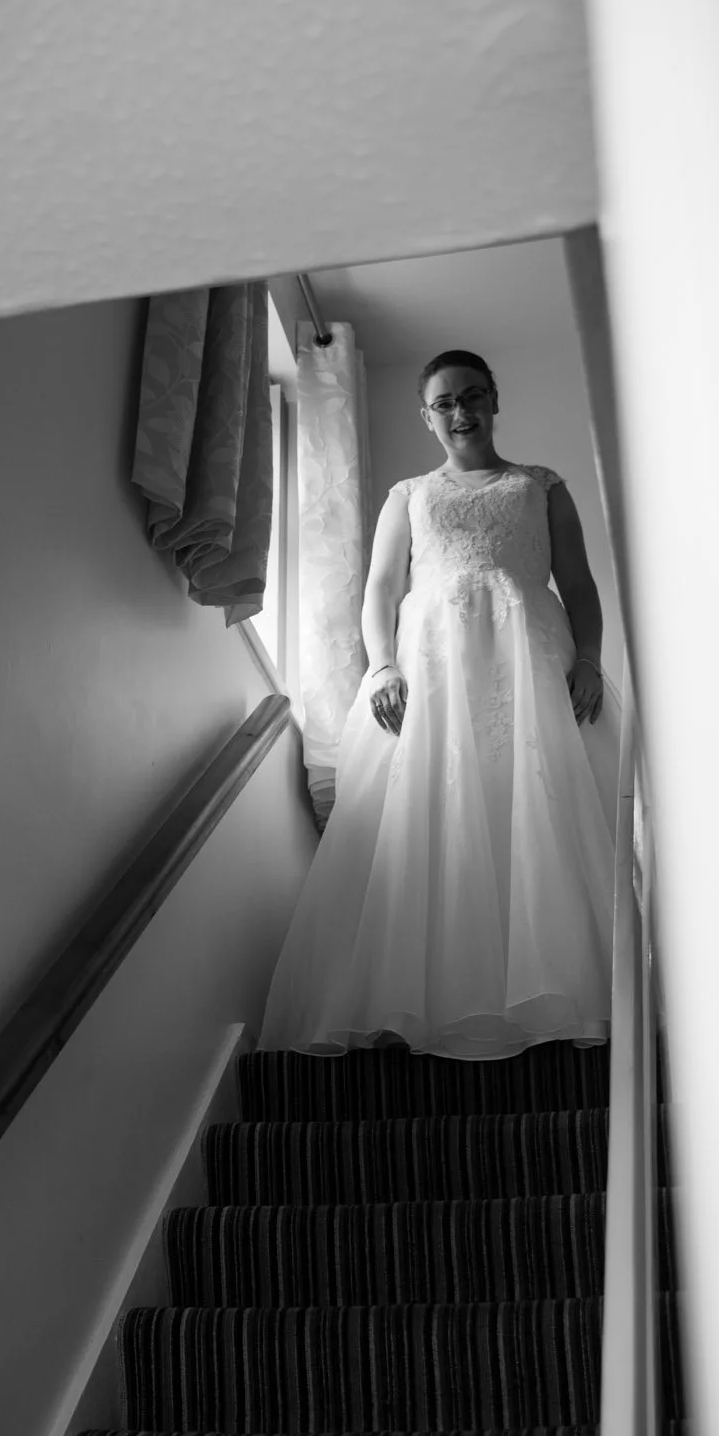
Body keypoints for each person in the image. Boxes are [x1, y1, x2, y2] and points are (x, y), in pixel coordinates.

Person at [259, 348, 621, 1061]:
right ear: (426, 416)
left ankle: (559, 994)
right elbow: (379, 592)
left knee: (533, 811)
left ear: (493, 400)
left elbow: (577, 586)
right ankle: (430, 1002)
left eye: (473, 395)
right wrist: (384, 666)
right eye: (445, 401)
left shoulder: (541, 486)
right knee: (436, 817)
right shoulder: (408, 495)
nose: (461, 411)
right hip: (433, 673)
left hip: (531, 664)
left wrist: (587, 658)